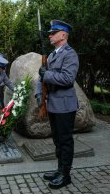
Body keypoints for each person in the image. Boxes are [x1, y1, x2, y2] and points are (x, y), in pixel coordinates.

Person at [35, 20, 79, 189]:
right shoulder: (52, 55)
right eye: (50, 33)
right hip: (53, 105)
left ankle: (66, 175)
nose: (50, 35)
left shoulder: (70, 54)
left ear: (63, 35)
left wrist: (47, 75)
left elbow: (68, 79)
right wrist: (39, 96)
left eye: (53, 32)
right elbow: (41, 78)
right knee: (57, 140)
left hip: (65, 106)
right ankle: (60, 169)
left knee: (65, 141)